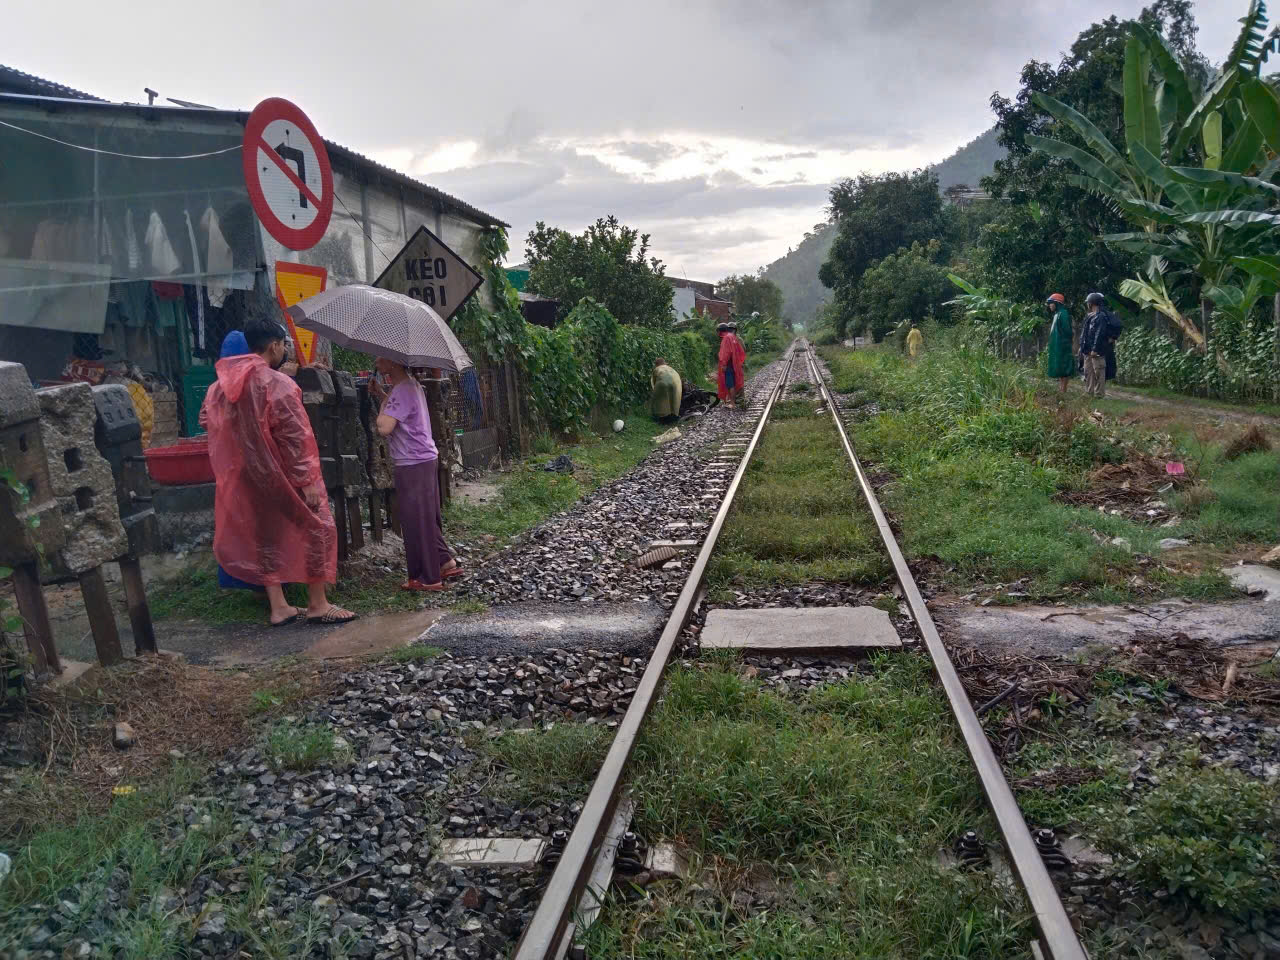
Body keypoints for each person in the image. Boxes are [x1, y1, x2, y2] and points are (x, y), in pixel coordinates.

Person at [201, 318, 355, 626]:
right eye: (284, 344)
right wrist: (308, 480)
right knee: (318, 527)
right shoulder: (278, 384)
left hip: (243, 477)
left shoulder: (217, 388)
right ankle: (317, 603)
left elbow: (208, 423)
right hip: (281, 474)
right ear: (274, 345)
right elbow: (296, 438)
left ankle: (279, 606)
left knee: (265, 535)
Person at [369, 357, 460, 592]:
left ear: (393, 362)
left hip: (412, 462)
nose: (377, 362)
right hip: (424, 458)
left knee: (415, 520)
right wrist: (381, 394)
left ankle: (428, 577)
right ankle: (444, 561)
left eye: (381, 357)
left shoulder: (402, 390)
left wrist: (380, 407)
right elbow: (399, 411)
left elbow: (384, 427)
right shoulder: (410, 385)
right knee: (425, 517)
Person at [1078, 293, 1110, 398]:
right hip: (1087, 350)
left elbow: (1099, 333)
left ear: (1091, 303)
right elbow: (1086, 333)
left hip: (1097, 351)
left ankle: (1099, 394)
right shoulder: (1090, 316)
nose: (1087, 304)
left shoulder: (1101, 317)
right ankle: (1089, 392)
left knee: (1099, 372)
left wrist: (1095, 349)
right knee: (1088, 372)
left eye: (1088, 302)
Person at [1044, 294, 1076, 394]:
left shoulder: (1063, 314)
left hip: (1063, 346)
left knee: (1065, 368)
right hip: (1058, 346)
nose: (1050, 306)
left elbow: (1067, 330)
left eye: (1051, 303)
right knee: (1060, 368)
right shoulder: (1057, 314)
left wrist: (1068, 342)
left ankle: (1064, 390)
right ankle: (1061, 390)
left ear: (1057, 303)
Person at [717, 323, 746, 409]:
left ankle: (733, 403)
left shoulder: (727, 338)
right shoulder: (733, 337)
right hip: (735, 364)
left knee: (731, 384)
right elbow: (741, 351)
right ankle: (736, 400)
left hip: (729, 365)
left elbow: (726, 353)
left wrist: (724, 364)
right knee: (735, 382)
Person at [650, 357, 683, 423]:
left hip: (662, 383)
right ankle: (674, 416)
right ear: (665, 363)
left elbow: (653, 383)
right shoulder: (671, 368)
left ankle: (659, 417)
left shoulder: (657, 369)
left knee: (658, 400)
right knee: (675, 399)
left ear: (656, 365)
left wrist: (655, 392)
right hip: (676, 382)